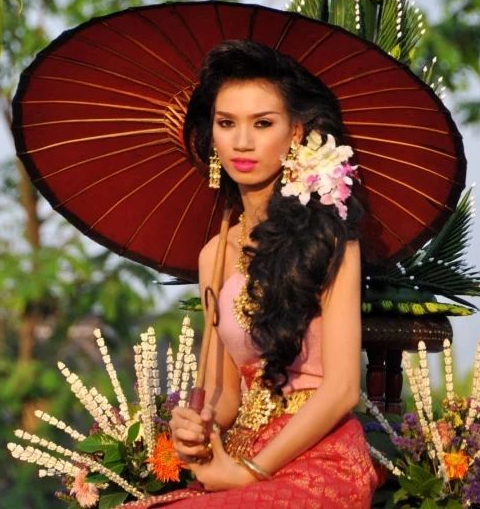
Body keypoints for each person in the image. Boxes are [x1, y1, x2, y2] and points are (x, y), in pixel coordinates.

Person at [122, 39, 378, 508]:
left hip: (318, 460)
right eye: (226, 124)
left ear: (297, 131)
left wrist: (250, 474)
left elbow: (342, 389)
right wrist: (196, 425)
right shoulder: (213, 256)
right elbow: (224, 394)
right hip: (240, 453)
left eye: (262, 123)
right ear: (212, 136)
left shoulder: (331, 238)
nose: (242, 141)